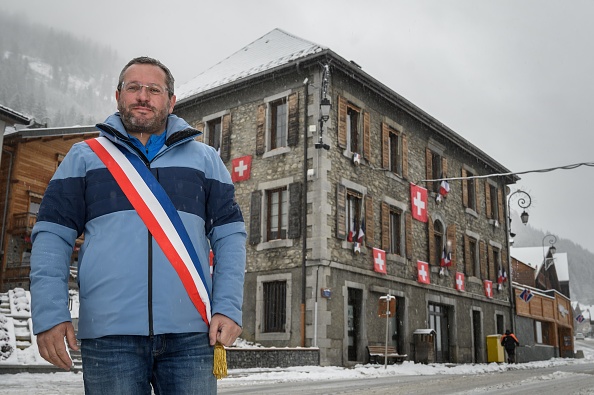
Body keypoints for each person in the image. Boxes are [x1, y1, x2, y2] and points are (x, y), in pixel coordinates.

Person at [29, 56, 246, 394]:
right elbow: (51, 236)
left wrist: (228, 308)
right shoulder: (83, 157)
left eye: (154, 89)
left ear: (171, 101)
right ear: (118, 95)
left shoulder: (206, 161)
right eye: (134, 88)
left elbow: (230, 236)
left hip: (192, 336)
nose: (143, 96)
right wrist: (49, 314)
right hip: (108, 337)